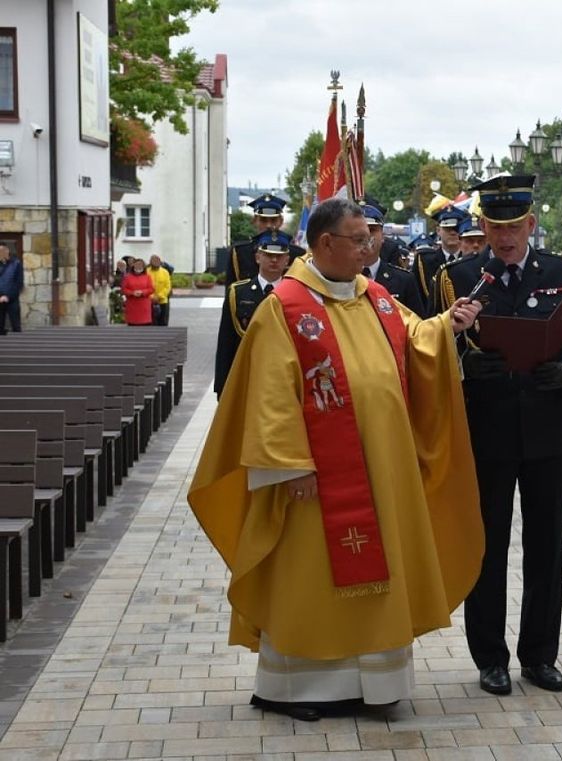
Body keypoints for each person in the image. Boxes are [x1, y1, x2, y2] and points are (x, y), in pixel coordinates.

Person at [188, 197, 485, 721]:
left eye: (369, 237)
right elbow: (270, 392)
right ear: (326, 243)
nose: (370, 248)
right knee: (310, 576)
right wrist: (290, 463)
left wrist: (447, 326)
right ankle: (295, 690)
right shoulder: (286, 306)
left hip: (382, 468)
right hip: (316, 475)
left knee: (377, 573)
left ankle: (374, 683)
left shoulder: (375, 297)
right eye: (358, 239)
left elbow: (415, 338)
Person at [438, 175, 562, 696]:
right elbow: (426, 345)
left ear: (530, 224)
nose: (504, 236)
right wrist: (467, 364)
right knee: (486, 548)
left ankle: (539, 656)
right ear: (482, 226)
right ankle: (490, 657)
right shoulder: (460, 275)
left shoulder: (561, 272)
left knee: (545, 547)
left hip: (546, 431)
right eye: (494, 225)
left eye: (513, 226)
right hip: (486, 430)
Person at [214, 230, 291, 398]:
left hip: (283, 378)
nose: (274, 260)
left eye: (279, 256)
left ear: (287, 260)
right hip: (247, 374)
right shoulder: (238, 292)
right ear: (257, 257)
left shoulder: (295, 293)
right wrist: (222, 386)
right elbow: (226, 341)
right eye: (268, 255)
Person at [361, 204, 427, 317]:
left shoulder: (404, 280)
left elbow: (418, 326)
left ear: (382, 236)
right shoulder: (339, 279)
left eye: (372, 230)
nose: (367, 236)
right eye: (361, 230)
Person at [226, 193, 305, 284]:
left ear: (281, 221)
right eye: (263, 220)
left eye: (273, 220)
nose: (268, 225)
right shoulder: (240, 253)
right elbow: (231, 292)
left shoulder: (297, 254)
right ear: (255, 221)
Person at [121, 257, 155, 326]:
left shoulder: (147, 277)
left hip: (144, 306)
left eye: (140, 265)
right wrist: (132, 293)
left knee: (145, 326)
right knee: (132, 327)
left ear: (143, 266)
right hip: (132, 305)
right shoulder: (127, 277)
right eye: (137, 264)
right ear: (133, 266)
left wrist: (142, 292)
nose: (138, 266)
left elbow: (151, 289)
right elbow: (124, 289)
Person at [0, 243, 24, 334]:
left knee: (16, 326)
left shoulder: (16, 264)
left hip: (12, 299)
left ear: (7, 251)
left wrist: (7, 296)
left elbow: (19, 283)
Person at [147, 254, 173, 326]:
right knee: (151, 322)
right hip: (149, 301)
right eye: (153, 260)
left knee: (163, 322)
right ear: (150, 262)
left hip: (163, 301)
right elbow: (144, 286)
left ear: (160, 262)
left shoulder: (165, 272)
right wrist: (152, 297)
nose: (155, 262)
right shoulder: (146, 272)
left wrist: (159, 296)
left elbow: (167, 286)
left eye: (157, 260)